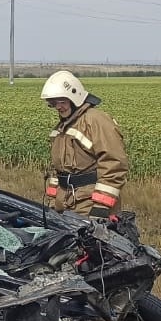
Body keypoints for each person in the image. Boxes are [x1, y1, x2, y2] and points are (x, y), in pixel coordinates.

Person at [41, 70, 129, 219]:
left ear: (75, 98)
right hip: (65, 203)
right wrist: (52, 201)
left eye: (62, 101)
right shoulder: (61, 128)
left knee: (90, 242)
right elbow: (57, 170)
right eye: (54, 103)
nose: (58, 107)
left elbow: (114, 165)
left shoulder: (96, 121)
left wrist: (101, 207)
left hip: (90, 204)